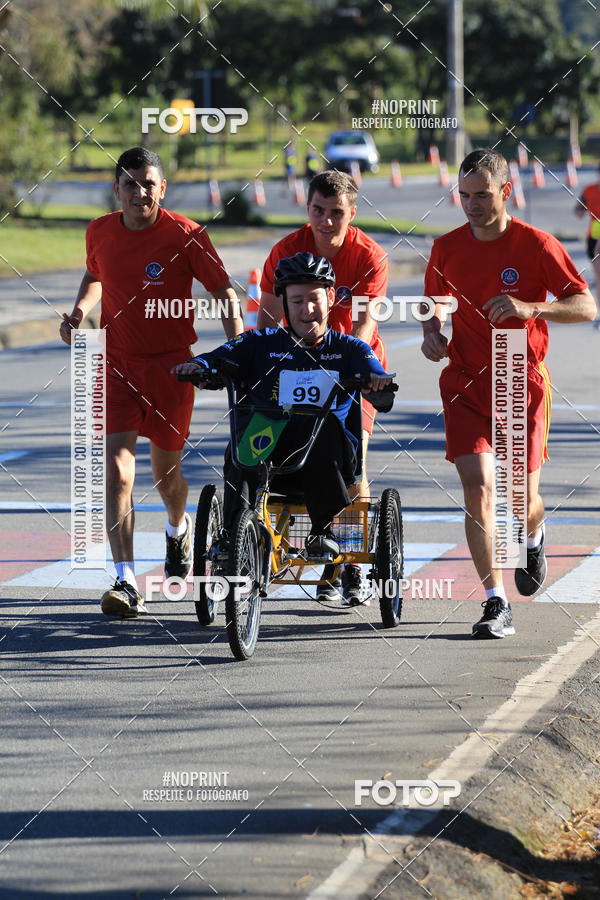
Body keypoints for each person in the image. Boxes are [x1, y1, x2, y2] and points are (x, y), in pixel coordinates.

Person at [59, 146, 243, 618]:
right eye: (129, 183)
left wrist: (236, 351)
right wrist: (79, 312)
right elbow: (94, 273)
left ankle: (178, 529)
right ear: (116, 189)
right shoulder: (99, 230)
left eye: (148, 183)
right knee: (118, 470)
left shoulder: (187, 234)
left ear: (162, 188)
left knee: (167, 476)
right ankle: (125, 580)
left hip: (171, 370)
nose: (139, 192)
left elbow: (222, 291)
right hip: (117, 365)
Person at [422, 147, 595, 639]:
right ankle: (496, 601)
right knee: (477, 488)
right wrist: (432, 333)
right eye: (464, 195)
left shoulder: (537, 246)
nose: (471, 204)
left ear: (506, 191)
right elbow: (434, 307)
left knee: (522, 499)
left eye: (482, 195)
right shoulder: (447, 248)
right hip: (465, 383)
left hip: (519, 378)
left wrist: (532, 307)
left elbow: (584, 305)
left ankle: (533, 534)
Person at [173, 252, 393, 605]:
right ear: (285, 307)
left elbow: (373, 371)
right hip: (268, 461)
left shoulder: (349, 348)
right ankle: (232, 538)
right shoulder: (260, 343)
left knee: (319, 426)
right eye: (297, 301)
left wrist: (378, 383)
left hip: (325, 464)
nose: (307, 310)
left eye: (314, 299)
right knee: (244, 441)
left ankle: (325, 532)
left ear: (331, 298)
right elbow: (219, 356)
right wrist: (197, 366)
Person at [256, 170, 389, 601]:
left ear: (352, 212)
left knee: (354, 464)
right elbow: (268, 317)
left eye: (336, 213)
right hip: (296, 365)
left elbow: (366, 323)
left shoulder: (369, 255)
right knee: (280, 450)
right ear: (307, 207)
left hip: (351, 365)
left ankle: (348, 566)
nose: (326, 222)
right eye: (318, 211)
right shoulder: (286, 250)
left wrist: (348, 365)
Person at [573, 162, 600, 327]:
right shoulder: (589, 190)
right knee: (598, 276)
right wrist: (581, 210)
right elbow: (578, 211)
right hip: (594, 235)